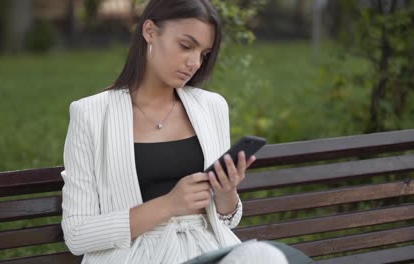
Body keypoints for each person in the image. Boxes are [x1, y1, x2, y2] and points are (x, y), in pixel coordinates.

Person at [61, 0, 307, 263]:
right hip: (139, 255)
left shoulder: (211, 107)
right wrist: (169, 205)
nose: (194, 63)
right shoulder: (91, 115)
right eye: (186, 46)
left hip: (207, 249)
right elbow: (77, 234)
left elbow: (227, 220)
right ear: (150, 32)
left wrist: (226, 192)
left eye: (204, 53)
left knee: (265, 256)